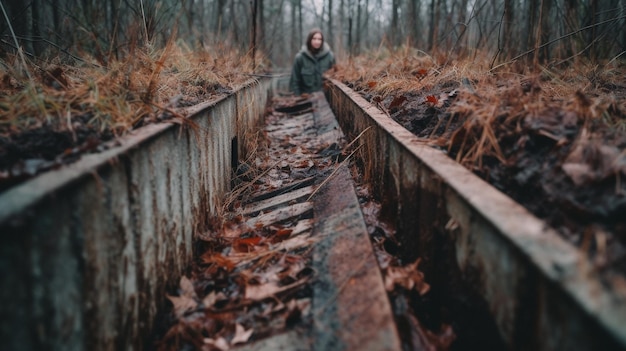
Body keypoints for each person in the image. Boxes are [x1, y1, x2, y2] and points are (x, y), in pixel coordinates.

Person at [289, 28, 336, 96]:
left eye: (319, 39)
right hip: (306, 100)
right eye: (314, 38)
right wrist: (298, 98)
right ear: (309, 40)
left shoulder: (330, 57)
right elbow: (294, 82)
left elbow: (334, 81)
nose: (317, 41)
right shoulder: (300, 57)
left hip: (325, 100)